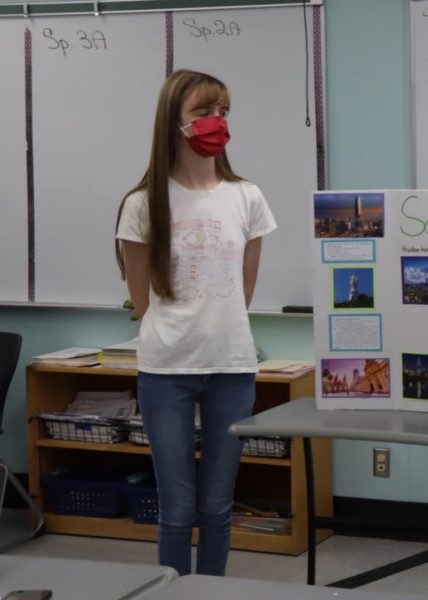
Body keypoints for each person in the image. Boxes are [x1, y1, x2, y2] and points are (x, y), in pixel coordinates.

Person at [114, 69, 276, 576]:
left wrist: (217, 325)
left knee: (218, 506)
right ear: (174, 122)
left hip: (232, 365)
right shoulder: (143, 204)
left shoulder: (246, 196)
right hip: (167, 369)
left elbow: (244, 289)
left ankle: (212, 591)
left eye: (223, 112)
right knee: (178, 508)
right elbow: (141, 299)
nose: (216, 123)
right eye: (203, 113)